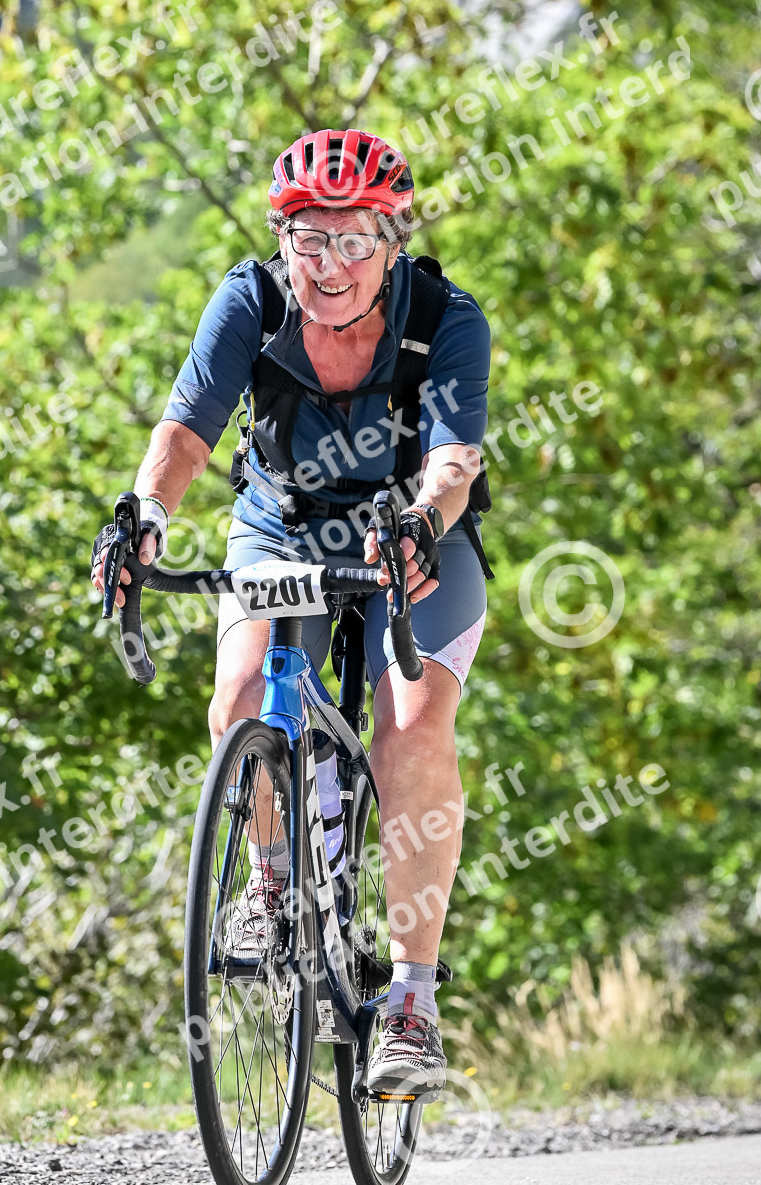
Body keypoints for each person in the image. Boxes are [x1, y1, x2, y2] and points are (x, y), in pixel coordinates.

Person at [91, 128, 491, 1098]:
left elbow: (450, 464)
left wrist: (417, 524)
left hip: (413, 534)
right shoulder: (251, 301)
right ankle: (271, 880)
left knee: (411, 729)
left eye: (353, 241)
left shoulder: (444, 317)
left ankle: (410, 1002)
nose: (329, 265)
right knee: (239, 702)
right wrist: (144, 514)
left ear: (391, 241)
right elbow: (185, 434)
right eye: (309, 240)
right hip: (282, 526)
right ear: (282, 241)